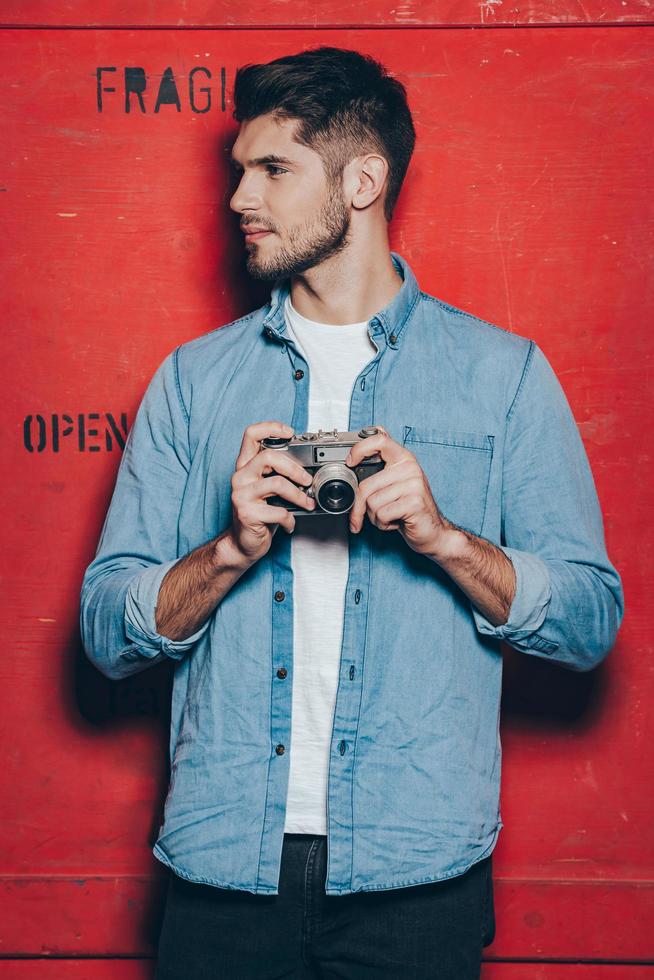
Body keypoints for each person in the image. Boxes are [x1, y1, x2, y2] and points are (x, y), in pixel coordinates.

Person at [80, 46, 624, 980]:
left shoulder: (503, 377)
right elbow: (104, 631)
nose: (240, 199)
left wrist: (448, 542)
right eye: (239, 170)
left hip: (416, 878)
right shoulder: (192, 381)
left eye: (274, 170)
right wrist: (229, 549)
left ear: (363, 180)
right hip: (225, 870)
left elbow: (588, 620)